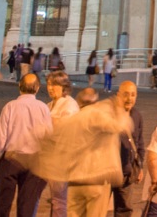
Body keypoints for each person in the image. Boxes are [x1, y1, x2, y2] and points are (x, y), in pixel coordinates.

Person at [32, 87, 130, 217]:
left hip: (75, 182)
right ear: (95, 101)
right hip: (96, 181)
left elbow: (53, 141)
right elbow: (120, 126)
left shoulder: (72, 120)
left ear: (79, 102)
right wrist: (119, 109)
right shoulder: (97, 115)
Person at [0, 73, 53, 217]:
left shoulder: (10, 107)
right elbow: (49, 136)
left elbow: (1, 137)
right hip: (34, 161)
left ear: (19, 86)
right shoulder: (43, 108)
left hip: (11, 160)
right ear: (37, 88)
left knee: (3, 203)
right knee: (27, 205)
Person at [44, 71, 80, 217]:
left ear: (64, 86)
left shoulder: (69, 105)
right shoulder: (50, 105)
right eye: (48, 84)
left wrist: (47, 121)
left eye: (55, 85)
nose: (50, 88)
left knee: (59, 200)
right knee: (55, 199)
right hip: (50, 157)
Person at [112, 80, 145, 217]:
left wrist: (139, 166)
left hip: (126, 173)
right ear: (118, 95)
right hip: (107, 172)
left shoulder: (137, 116)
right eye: (125, 94)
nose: (129, 98)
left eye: (133, 95)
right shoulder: (109, 114)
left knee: (125, 210)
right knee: (97, 210)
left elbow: (139, 143)